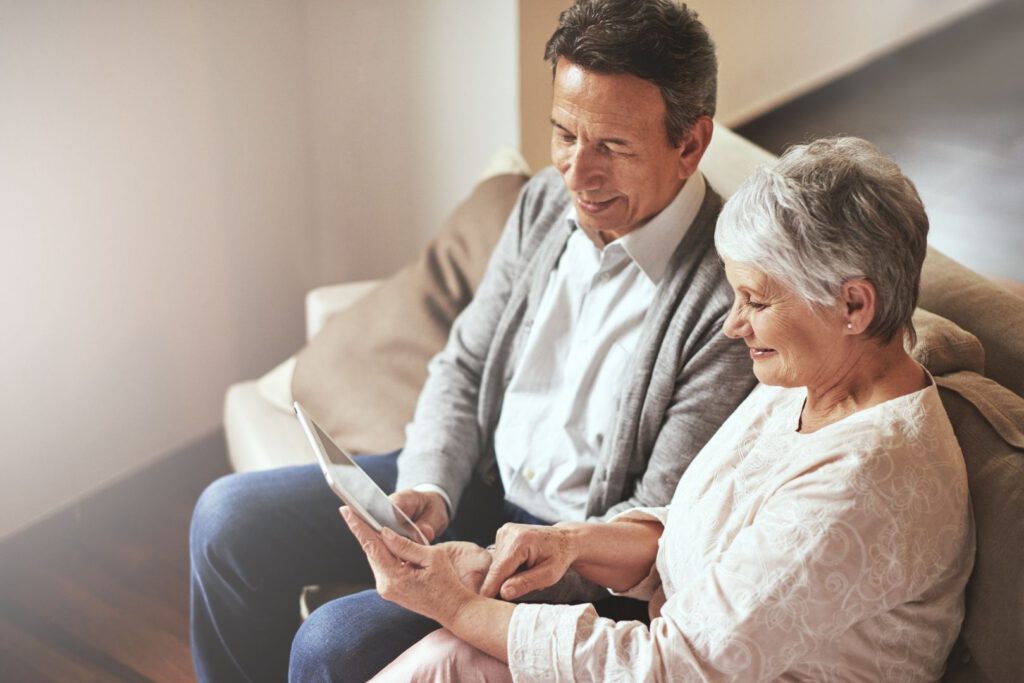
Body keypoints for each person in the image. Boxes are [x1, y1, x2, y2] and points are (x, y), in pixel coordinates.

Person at [189, 1, 756, 681]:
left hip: (563, 557)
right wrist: (431, 482)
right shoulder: (545, 205)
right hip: (475, 483)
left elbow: (652, 533)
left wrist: (485, 572)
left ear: (690, 144)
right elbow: (462, 365)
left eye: (612, 146)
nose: (578, 174)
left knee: (331, 643)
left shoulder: (732, 300)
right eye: (565, 134)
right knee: (223, 518)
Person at [351, 136, 977, 682]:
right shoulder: (809, 382)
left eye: (756, 301)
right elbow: (696, 531)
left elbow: (671, 667)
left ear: (854, 306)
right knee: (441, 661)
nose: (734, 325)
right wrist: (568, 542)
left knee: (443, 657)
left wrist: (458, 606)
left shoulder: (864, 486)